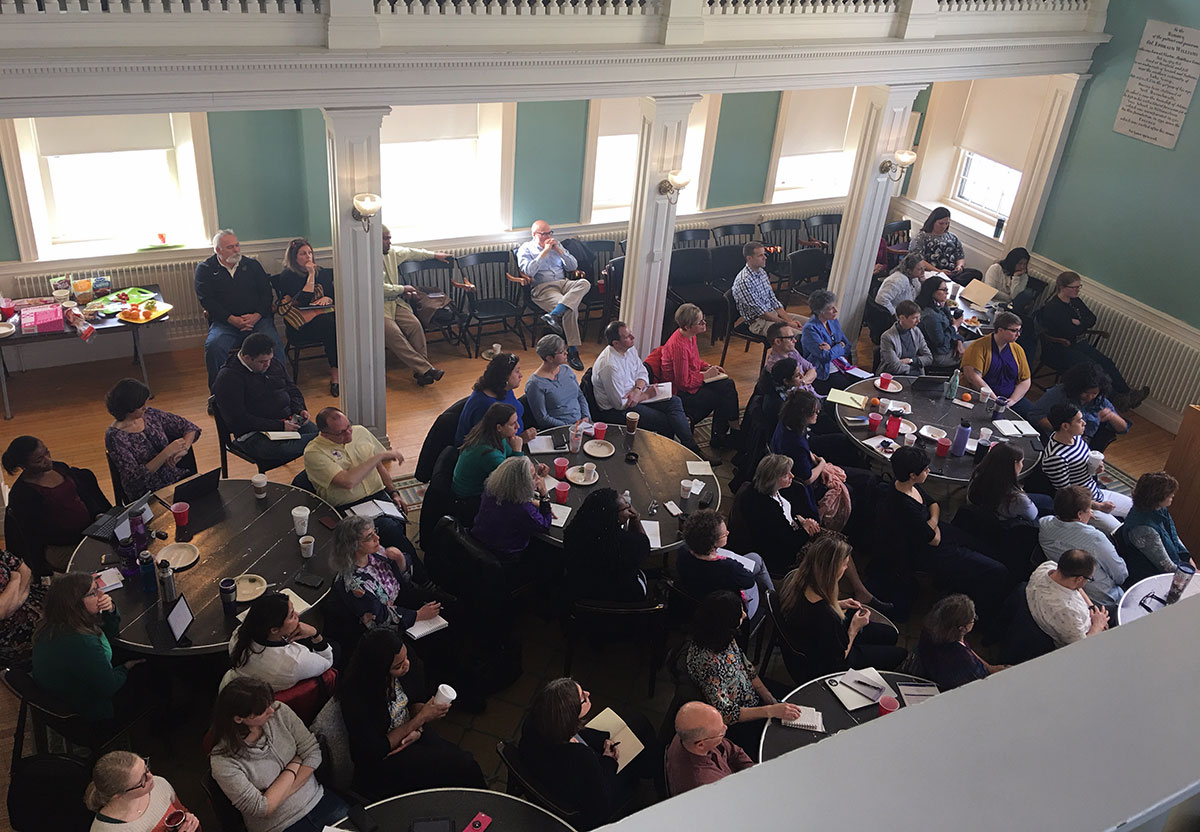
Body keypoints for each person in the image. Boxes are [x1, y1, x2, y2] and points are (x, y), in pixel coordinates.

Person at [867, 447, 1012, 623]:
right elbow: (933, 540)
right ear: (913, 475)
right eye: (925, 469)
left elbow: (933, 504)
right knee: (994, 569)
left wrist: (932, 522)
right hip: (926, 551)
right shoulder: (903, 505)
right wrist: (934, 522)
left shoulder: (909, 487)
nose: (928, 471)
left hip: (937, 534)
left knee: (981, 548)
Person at [338, 629, 484, 800]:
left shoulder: (406, 664)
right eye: (397, 666)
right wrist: (420, 720)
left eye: (405, 657)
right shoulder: (356, 697)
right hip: (386, 758)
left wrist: (425, 717)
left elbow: (413, 702)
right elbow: (378, 748)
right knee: (459, 766)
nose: (406, 664)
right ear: (379, 670)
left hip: (411, 730)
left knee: (463, 762)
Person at [209, 678, 348, 832]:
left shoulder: (280, 711)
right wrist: (295, 763)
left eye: (270, 703)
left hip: (318, 799)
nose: (272, 711)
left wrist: (272, 798)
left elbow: (313, 752)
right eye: (263, 710)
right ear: (239, 719)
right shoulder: (223, 760)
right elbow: (261, 808)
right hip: (279, 826)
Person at [518, 677, 657, 830]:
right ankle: (649, 773)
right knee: (638, 732)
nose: (588, 693)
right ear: (570, 716)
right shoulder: (581, 757)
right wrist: (609, 760)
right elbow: (601, 805)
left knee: (636, 720)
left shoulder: (533, 724)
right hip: (587, 811)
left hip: (547, 779)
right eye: (583, 698)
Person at [684, 591, 801, 759]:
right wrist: (770, 710)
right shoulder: (708, 663)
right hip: (740, 719)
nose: (745, 615)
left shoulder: (723, 637)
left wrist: (768, 696)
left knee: (796, 704)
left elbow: (747, 668)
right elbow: (726, 714)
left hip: (752, 697)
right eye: (740, 614)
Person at [777, 534, 906, 677]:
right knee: (900, 653)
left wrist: (837, 603)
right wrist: (854, 628)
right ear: (832, 570)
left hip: (813, 642)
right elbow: (837, 662)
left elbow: (811, 610)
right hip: (829, 665)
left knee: (890, 634)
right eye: (845, 564)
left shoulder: (799, 580)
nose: (846, 568)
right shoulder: (827, 617)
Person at [31, 573, 148, 722]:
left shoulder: (58, 622)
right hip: (88, 707)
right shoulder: (82, 643)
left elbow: (106, 634)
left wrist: (110, 610)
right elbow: (108, 686)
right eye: (93, 593)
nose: (101, 595)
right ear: (75, 604)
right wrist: (125, 668)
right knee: (149, 672)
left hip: (63, 690)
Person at [2, 435, 111, 575]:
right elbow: (37, 535)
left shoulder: (59, 467)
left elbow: (83, 494)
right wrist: (87, 534)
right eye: (39, 460)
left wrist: (97, 514)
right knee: (103, 562)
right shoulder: (22, 495)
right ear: (25, 466)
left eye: (46, 452)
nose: (47, 460)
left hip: (89, 532)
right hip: (63, 545)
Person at [1039, 271, 1148, 409]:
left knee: (1107, 362)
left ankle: (1127, 393)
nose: (1077, 290)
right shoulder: (1053, 307)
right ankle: (1116, 398)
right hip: (1063, 347)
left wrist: (1079, 323)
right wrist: (1079, 325)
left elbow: (1092, 318)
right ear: (1062, 287)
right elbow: (1068, 331)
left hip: (1080, 343)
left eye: (1079, 287)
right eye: (1074, 287)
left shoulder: (1075, 301)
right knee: (1094, 368)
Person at [592, 320, 702, 454]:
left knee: (674, 401)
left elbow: (642, 372)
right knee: (665, 421)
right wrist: (645, 395)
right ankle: (666, 454)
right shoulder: (609, 367)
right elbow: (619, 404)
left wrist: (638, 390)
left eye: (630, 333)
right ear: (616, 343)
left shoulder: (629, 348)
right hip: (616, 410)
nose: (633, 337)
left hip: (636, 395)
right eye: (627, 337)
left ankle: (691, 448)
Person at [195, 229, 285, 390]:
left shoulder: (252, 265)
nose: (236, 250)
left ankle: (279, 386)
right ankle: (217, 393)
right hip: (225, 322)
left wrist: (256, 315)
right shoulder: (206, 269)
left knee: (274, 343)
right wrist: (231, 319)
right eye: (230, 247)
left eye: (237, 245)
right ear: (218, 250)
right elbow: (207, 300)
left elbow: (266, 294)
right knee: (214, 346)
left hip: (257, 320)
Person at [303, 408, 408, 544]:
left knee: (400, 521)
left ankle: (400, 561)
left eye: (348, 427)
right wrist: (379, 456)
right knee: (389, 529)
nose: (348, 434)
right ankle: (404, 563)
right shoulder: (314, 452)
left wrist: (394, 493)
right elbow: (348, 482)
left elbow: (379, 467)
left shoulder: (360, 431)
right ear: (325, 434)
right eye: (341, 432)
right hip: (348, 506)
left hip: (377, 496)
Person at [213, 333, 318, 467]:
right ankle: (323, 439)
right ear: (246, 358)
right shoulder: (228, 378)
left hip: (287, 420)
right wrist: (280, 426)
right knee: (310, 442)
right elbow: (238, 419)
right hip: (253, 433)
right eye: (262, 362)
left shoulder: (272, 362)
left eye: (270, 359)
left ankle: (321, 443)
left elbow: (291, 389)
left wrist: (300, 409)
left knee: (314, 434)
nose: (268, 364)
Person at [646, 303, 740, 449]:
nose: (704, 323)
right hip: (680, 390)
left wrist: (707, 366)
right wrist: (705, 375)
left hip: (691, 379)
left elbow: (695, 361)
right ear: (688, 326)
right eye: (700, 322)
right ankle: (727, 433)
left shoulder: (690, 336)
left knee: (727, 385)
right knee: (723, 394)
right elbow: (683, 382)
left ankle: (726, 434)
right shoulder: (679, 347)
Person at [331, 515, 442, 634]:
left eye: (375, 532)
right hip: (391, 625)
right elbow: (379, 620)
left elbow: (405, 580)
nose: (377, 538)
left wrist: (400, 559)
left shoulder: (375, 552)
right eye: (370, 537)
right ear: (353, 545)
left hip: (403, 597)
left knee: (448, 605)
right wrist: (418, 615)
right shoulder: (355, 585)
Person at [1042, 402, 1132, 535]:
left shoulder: (1076, 438)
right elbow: (1067, 494)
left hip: (1096, 491)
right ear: (1065, 426)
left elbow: (1083, 467)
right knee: (1120, 533)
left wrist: (1095, 467)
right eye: (1079, 421)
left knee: (1138, 508)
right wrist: (1097, 506)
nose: (1084, 423)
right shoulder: (1056, 458)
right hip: (1082, 506)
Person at [104, 378, 200, 499]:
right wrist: (166, 453)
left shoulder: (150, 415)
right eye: (141, 405)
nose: (145, 407)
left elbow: (189, 427)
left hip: (174, 480)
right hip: (148, 494)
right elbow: (134, 481)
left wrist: (184, 448)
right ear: (129, 408)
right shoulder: (115, 437)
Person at [725, 454, 820, 575]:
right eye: (786, 475)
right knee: (833, 552)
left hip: (793, 530)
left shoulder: (770, 489)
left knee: (839, 546)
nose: (792, 476)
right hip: (781, 554)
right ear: (772, 479)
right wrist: (806, 529)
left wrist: (800, 520)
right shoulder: (765, 508)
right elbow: (787, 542)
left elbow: (786, 515)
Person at [221, 592, 334, 692]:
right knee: (336, 648)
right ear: (274, 630)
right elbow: (327, 661)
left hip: (231, 688)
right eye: (291, 616)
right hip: (265, 700)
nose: (297, 614)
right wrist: (315, 633)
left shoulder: (239, 635)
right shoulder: (295, 661)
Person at [516, 220, 589, 371]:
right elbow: (528, 271)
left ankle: (554, 314)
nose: (547, 236)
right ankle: (573, 351)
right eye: (543, 234)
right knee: (570, 308)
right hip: (544, 288)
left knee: (585, 283)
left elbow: (573, 266)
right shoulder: (526, 249)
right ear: (534, 235)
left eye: (549, 233)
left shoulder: (558, 245)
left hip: (563, 283)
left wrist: (559, 251)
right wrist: (544, 252)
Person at [676, 510, 774, 623]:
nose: (728, 532)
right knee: (757, 563)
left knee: (754, 558)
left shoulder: (682, 551)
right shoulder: (729, 568)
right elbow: (749, 582)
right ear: (712, 543)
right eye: (724, 534)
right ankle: (772, 599)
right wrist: (738, 567)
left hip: (697, 597)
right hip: (728, 613)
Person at [1037, 485, 1126, 609]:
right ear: (1079, 514)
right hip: (1102, 599)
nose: (1091, 512)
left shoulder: (1044, 523)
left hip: (1064, 587)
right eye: (1089, 509)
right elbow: (1120, 574)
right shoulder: (1095, 539)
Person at [381, 225, 447, 387]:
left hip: (395, 303)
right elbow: (377, 287)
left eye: (389, 238)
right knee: (396, 335)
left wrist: (434, 255)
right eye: (385, 238)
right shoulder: (365, 259)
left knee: (415, 326)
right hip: (377, 309)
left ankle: (421, 372)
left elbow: (412, 253)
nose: (389, 242)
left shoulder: (391, 253)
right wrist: (403, 289)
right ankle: (426, 368)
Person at [273, 237, 339, 396]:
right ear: (294, 258)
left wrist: (327, 298)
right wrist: (310, 275)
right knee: (331, 325)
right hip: (301, 326)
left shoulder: (322, 272)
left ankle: (336, 373)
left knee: (333, 323)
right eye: (303, 254)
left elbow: (334, 295)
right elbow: (302, 301)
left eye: (310, 252)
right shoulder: (287, 275)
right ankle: (336, 374)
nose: (308, 256)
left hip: (324, 321)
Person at [469, 455, 553, 575]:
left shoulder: (492, 488)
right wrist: (544, 495)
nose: (538, 478)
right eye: (534, 476)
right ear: (523, 484)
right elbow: (545, 525)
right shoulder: (523, 509)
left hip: (477, 543)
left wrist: (532, 478)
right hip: (505, 556)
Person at [563, 488, 651, 603]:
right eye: (626, 507)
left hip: (580, 592)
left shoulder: (574, 533)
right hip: (623, 598)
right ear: (614, 515)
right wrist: (636, 520)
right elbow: (644, 545)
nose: (629, 509)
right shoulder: (624, 544)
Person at [909, 594, 1005, 691]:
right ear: (963, 628)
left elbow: (967, 649)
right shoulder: (965, 663)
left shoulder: (932, 629)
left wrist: (989, 667)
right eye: (973, 619)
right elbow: (981, 684)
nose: (974, 620)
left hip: (923, 668)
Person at [85, 751, 200, 832]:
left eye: (146, 768)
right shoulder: (105, 829)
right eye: (142, 780)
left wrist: (189, 822)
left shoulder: (159, 784)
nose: (151, 777)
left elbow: (182, 812)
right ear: (118, 795)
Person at [1028, 362, 1128, 453]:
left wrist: (1111, 416)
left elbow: (1123, 428)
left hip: (1082, 446)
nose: (1090, 397)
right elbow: (1035, 415)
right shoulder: (1059, 393)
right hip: (1054, 440)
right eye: (1086, 393)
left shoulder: (1100, 401)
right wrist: (1062, 430)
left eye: (1094, 393)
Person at [665, 701, 754, 796]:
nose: (725, 728)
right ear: (700, 745)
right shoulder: (705, 783)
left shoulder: (688, 734)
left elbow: (734, 751)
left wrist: (753, 771)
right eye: (720, 733)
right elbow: (733, 797)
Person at [1025, 550, 1109, 648]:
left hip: (1087, 615)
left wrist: (1091, 607)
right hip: (1086, 639)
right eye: (1089, 579)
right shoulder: (1065, 610)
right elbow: (1082, 646)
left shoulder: (1047, 567)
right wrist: (1098, 625)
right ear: (1079, 579)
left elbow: (1077, 586)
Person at [959, 310, 1033, 416]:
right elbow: (974, 378)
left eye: (1019, 331)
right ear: (1000, 330)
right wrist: (997, 401)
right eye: (1014, 331)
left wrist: (1011, 401)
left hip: (1010, 398)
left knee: (1034, 416)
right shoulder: (978, 347)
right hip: (983, 397)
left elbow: (1025, 380)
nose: (1018, 335)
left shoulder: (1018, 350)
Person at [454, 352, 536, 446]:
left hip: (515, 440)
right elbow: (487, 445)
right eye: (517, 371)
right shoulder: (486, 405)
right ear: (505, 376)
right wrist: (521, 439)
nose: (521, 375)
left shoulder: (505, 389)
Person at [451, 403, 523, 508]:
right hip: (470, 499)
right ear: (499, 427)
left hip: (475, 487)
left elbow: (509, 458)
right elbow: (513, 482)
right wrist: (518, 451)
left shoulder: (494, 435)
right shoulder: (490, 454)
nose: (518, 426)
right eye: (513, 424)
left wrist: (532, 470)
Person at [1123, 472, 1193, 573]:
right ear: (1156, 497)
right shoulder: (1143, 529)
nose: (1173, 495)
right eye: (1169, 494)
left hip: (1170, 564)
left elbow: (1173, 535)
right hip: (1150, 572)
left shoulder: (1158, 508)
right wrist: (1189, 574)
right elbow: (1166, 566)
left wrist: (1189, 560)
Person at [731, 241, 806, 336]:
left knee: (811, 325)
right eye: (760, 256)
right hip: (759, 322)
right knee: (799, 335)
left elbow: (773, 300)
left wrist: (789, 320)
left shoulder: (761, 272)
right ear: (749, 258)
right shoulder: (744, 281)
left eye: (764, 254)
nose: (765, 258)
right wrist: (788, 324)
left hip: (772, 315)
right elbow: (761, 313)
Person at [966, 440, 1053, 521]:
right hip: (1002, 521)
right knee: (1047, 502)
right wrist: (1021, 491)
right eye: (1021, 461)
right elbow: (1032, 515)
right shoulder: (1017, 499)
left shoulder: (978, 473)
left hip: (983, 511)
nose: (1022, 465)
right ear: (1014, 465)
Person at [525, 334, 590, 428]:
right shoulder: (535, 385)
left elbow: (580, 396)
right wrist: (569, 427)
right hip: (561, 429)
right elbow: (543, 418)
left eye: (565, 349)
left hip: (582, 425)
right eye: (561, 351)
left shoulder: (567, 370)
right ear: (549, 358)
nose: (566, 353)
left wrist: (586, 417)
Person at [908, 207, 982, 286]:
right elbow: (919, 260)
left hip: (952, 272)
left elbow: (960, 256)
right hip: (934, 272)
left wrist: (959, 266)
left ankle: (951, 282)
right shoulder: (921, 237)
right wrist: (939, 271)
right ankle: (948, 283)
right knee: (935, 281)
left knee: (977, 274)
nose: (944, 226)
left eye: (946, 224)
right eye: (941, 223)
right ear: (933, 222)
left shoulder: (952, 237)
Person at [800, 289, 855, 394]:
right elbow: (825, 357)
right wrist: (839, 346)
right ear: (820, 311)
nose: (836, 310)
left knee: (860, 382)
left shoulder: (833, 321)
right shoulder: (810, 329)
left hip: (841, 364)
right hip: (823, 370)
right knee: (849, 389)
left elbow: (847, 345)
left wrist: (832, 348)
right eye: (831, 308)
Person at [0, 548, 46, 670]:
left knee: (74, 599)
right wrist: (15, 579)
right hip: (12, 635)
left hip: (31, 599)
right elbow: (1, 610)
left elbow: (26, 571)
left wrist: (17, 600)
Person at [916, 275, 965, 369]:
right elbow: (941, 344)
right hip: (939, 355)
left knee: (979, 347)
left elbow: (950, 324)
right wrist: (955, 327)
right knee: (977, 354)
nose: (947, 292)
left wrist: (958, 341)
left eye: (946, 289)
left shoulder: (940, 305)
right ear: (932, 292)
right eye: (943, 290)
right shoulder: (930, 316)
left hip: (950, 345)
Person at [878, 299, 933, 377]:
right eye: (914, 318)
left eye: (919, 317)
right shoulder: (887, 337)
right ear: (902, 318)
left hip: (916, 376)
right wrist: (916, 365)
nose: (918, 321)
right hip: (893, 377)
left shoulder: (917, 331)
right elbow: (895, 367)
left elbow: (929, 358)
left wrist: (911, 361)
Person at [762, 322, 817, 387]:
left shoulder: (792, 352)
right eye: (790, 338)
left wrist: (803, 382)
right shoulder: (775, 366)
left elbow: (812, 369)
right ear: (778, 341)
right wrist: (805, 380)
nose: (795, 341)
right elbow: (791, 391)